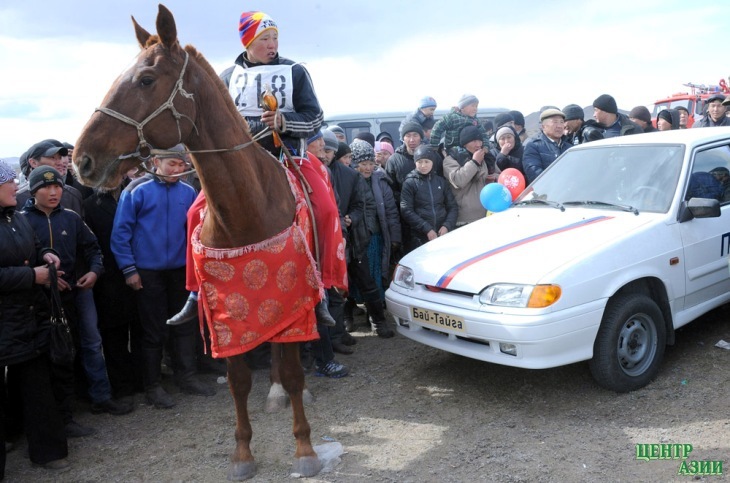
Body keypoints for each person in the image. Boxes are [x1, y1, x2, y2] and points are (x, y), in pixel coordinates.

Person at [22, 166, 134, 419]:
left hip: (79, 290)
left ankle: (100, 397)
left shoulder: (72, 217)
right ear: (33, 190)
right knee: (54, 349)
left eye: (57, 186)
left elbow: (94, 249)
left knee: (92, 343)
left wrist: (94, 272)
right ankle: (64, 409)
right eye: (46, 187)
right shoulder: (23, 220)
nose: (53, 192)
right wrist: (45, 279)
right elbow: (23, 262)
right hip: (43, 297)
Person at [112, 145, 215, 409]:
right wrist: (129, 270)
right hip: (147, 271)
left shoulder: (188, 191)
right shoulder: (136, 190)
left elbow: (195, 232)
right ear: (156, 161)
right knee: (153, 329)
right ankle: (153, 386)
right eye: (172, 165)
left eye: (182, 166)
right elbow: (120, 234)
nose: (178, 171)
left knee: (184, 325)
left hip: (180, 269)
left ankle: (187, 376)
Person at [0, 160, 69, 475]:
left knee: (35, 385)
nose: (16, 185)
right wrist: (32, 276)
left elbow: (35, 245)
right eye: (9, 180)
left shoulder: (15, 217)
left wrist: (45, 255)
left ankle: (47, 451)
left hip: (27, 318)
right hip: (6, 320)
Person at [83, 179, 144, 399]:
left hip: (140, 271)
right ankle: (122, 386)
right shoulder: (89, 205)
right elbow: (90, 244)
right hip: (108, 279)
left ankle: (142, 378)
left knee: (140, 329)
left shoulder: (137, 194)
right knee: (114, 335)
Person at [343, 141, 399, 338]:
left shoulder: (380, 180)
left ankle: (374, 318)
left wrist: (394, 236)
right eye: (362, 163)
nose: (367, 167)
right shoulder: (347, 180)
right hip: (355, 238)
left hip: (375, 237)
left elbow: (390, 211)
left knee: (374, 276)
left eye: (370, 163)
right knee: (352, 279)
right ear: (354, 164)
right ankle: (348, 315)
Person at [400, 145, 458, 253]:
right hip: (420, 236)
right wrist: (426, 228)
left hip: (442, 233)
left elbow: (452, 206)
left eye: (427, 161)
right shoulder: (410, 183)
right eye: (420, 162)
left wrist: (447, 225)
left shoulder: (441, 181)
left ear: (433, 162)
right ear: (415, 163)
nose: (423, 165)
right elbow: (406, 210)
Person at [443, 126, 499, 226]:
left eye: (480, 141)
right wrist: (474, 162)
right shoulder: (451, 159)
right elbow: (458, 180)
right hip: (464, 219)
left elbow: (500, 175)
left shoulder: (487, 157)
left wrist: (494, 178)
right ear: (464, 144)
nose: (478, 144)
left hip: (488, 214)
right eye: (473, 141)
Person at [16, 140, 83, 216]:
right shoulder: (18, 198)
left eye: (60, 157)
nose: (60, 162)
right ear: (33, 163)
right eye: (53, 158)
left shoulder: (73, 195)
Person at [523, 108, 573, 184]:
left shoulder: (569, 148)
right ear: (543, 127)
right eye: (555, 122)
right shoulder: (533, 146)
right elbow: (535, 173)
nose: (559, 126)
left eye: (561, 122)